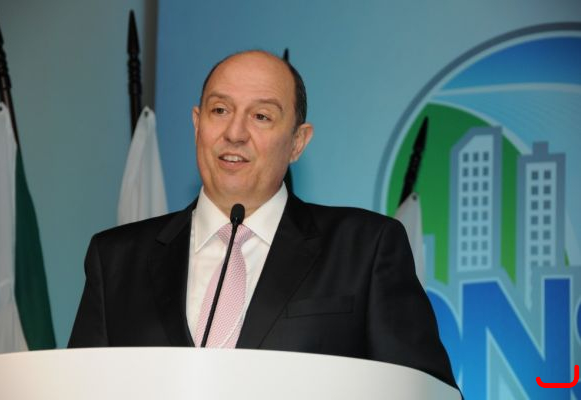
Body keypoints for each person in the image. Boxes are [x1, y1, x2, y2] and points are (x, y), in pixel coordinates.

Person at [69, 50, 457, 388]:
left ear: (297, 142)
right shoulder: (116, 259)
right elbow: (77, 388)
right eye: (220, 110)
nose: (235, 133)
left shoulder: (365, 248)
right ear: (197, 123)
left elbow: (424, 391)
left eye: (261, 116)